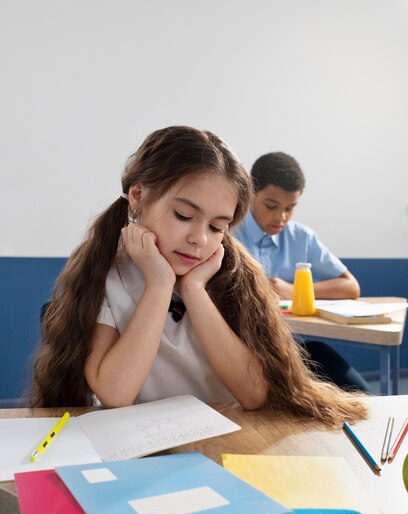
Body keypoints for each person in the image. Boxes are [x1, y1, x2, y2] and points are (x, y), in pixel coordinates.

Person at [30, 126, 367, 427]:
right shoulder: (107, 274)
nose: (200, 239)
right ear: (137, 196)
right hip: (147, 447)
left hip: (226, 442)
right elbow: (115, 393)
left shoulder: (229, 279)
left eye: (216, 226)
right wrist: (159, 284)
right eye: (184, 215)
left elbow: (253, 395)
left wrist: (194, 289)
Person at [233, 151, 369, 392]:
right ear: (250, 194)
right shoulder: (229, 231)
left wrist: (294, 291)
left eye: (290, 208)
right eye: (271, 206)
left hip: (291, 348)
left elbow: (351, 287)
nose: (281, 217)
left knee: (353, 385)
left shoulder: (301, 238)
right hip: (241, 348)